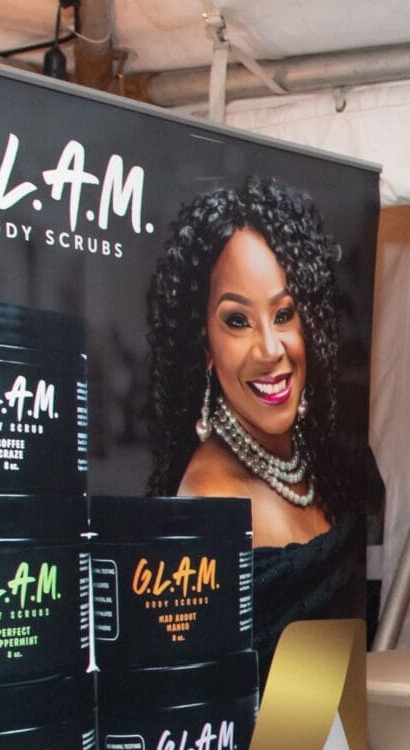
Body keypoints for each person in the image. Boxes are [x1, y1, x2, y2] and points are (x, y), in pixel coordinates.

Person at [145, 178, 367, 667]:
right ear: (204, 344)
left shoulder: (325, 466)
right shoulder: (206, 503)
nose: (271, 349)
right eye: (238, 321)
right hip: (268, 745)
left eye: (284, 314)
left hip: (329, 737)